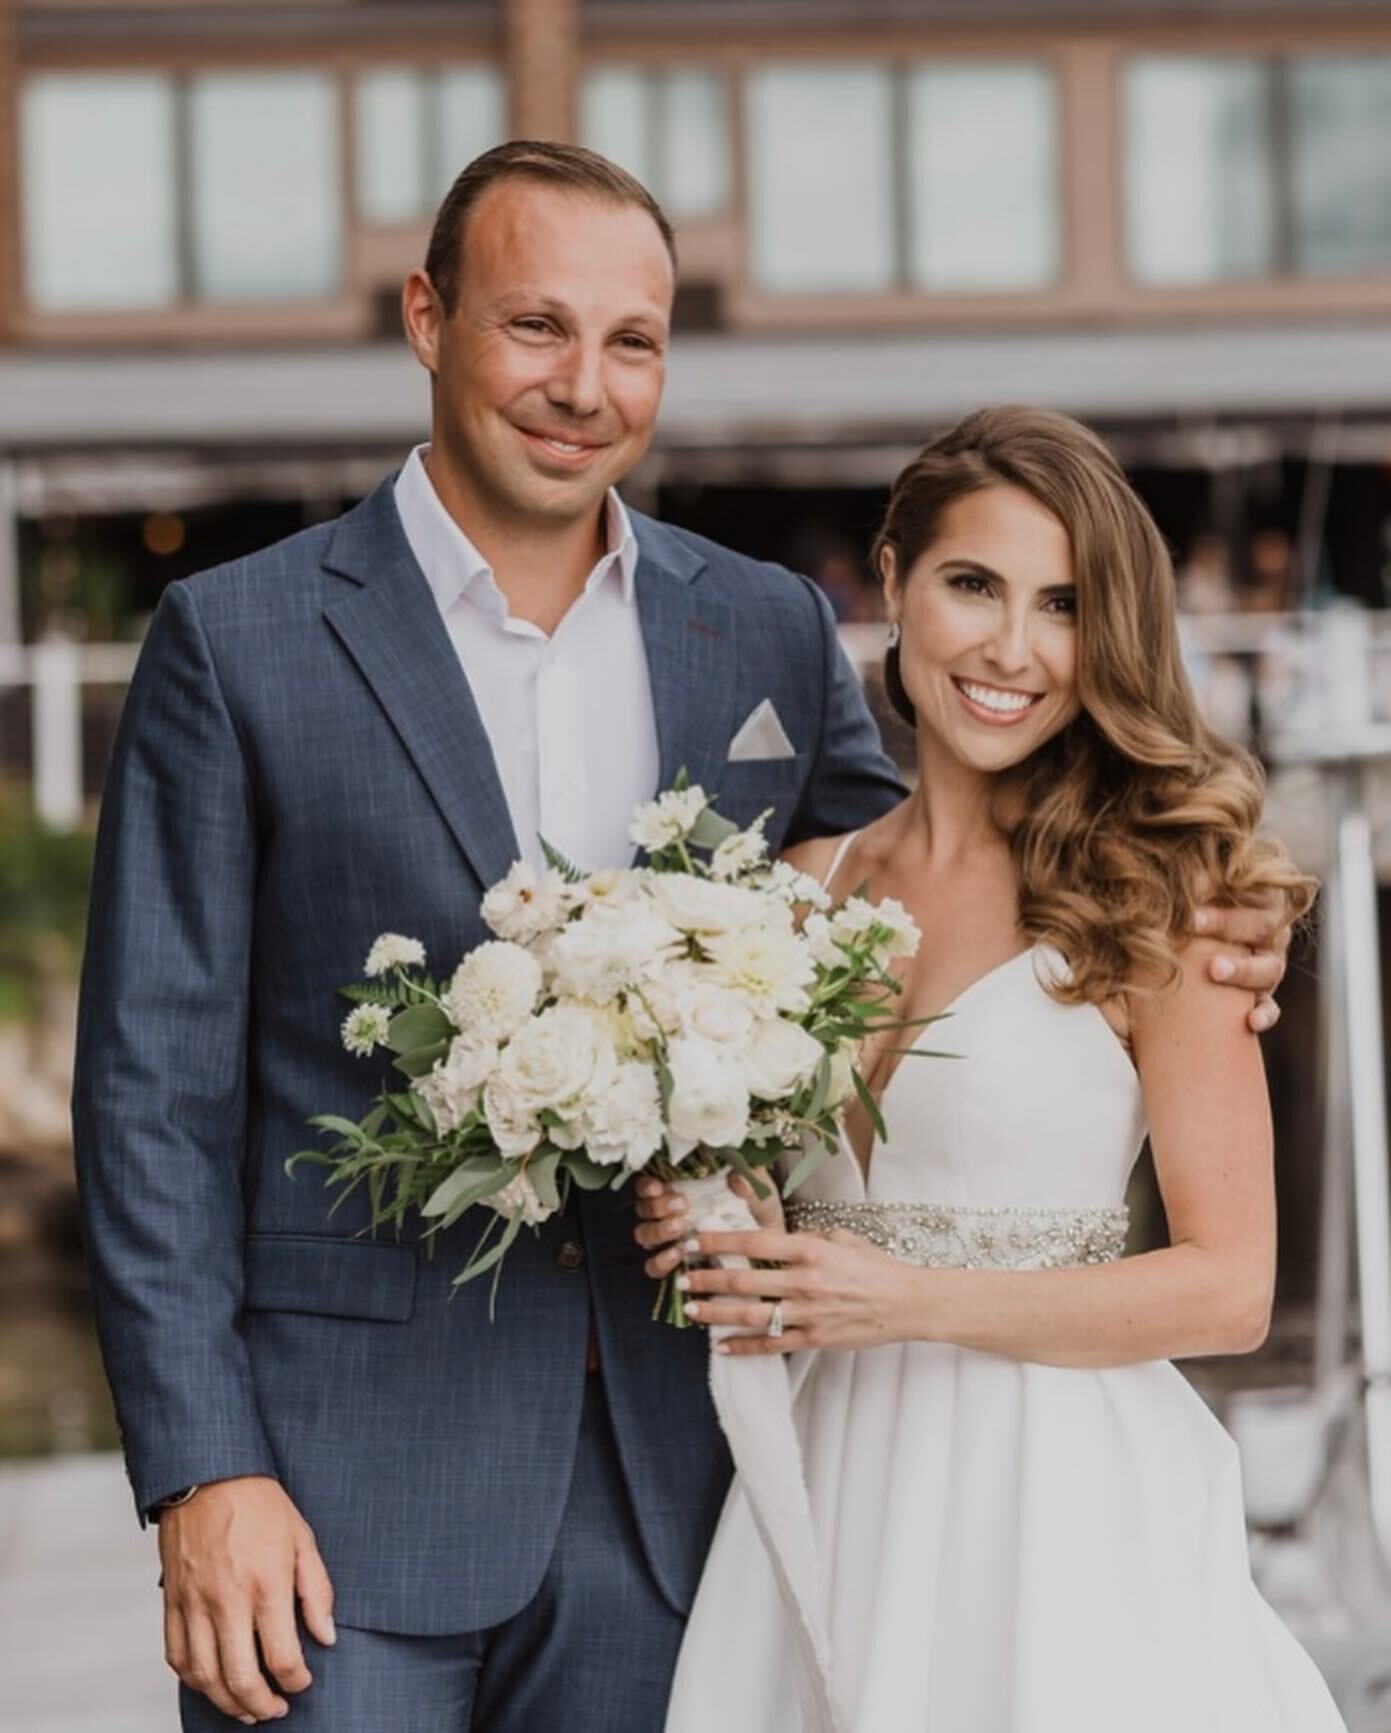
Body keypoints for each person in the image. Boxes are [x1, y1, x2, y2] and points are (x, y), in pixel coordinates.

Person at [71, 144, 1286, 1731]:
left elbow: (919, 882)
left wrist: (1208, 899)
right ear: (429, 318)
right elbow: (148, 1097)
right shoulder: (235, 643)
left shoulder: (758, 625)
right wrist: (203, 1469)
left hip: (691, 1504)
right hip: (339, 1497)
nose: (584, 385)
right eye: (536, 328)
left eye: (631, 340)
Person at [636, 408, 1338, 1732]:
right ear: (895, 580)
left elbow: (1234, 1288)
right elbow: (780, 1218)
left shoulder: (1160, 900)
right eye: (975, 585)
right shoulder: (796, 898)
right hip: (830, 1483)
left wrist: (901, 1295)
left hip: (1055, 1509)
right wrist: (716, 1225)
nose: (1014, 648)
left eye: (1063, 605)